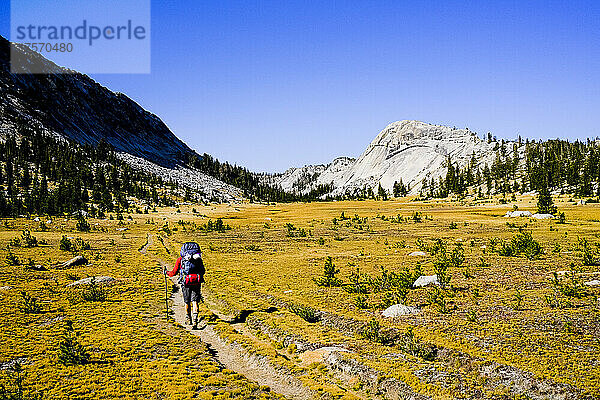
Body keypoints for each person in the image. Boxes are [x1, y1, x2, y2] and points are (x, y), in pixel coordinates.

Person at [165, 242, 205, 329]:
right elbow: (203, 271)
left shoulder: (181, 259)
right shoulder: (198, 259)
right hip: (196, 282)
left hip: (185, 282)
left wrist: (167, 273)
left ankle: (188, 318)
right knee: (195, 301)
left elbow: (174, 272)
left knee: (187, 301)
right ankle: (195, 319)